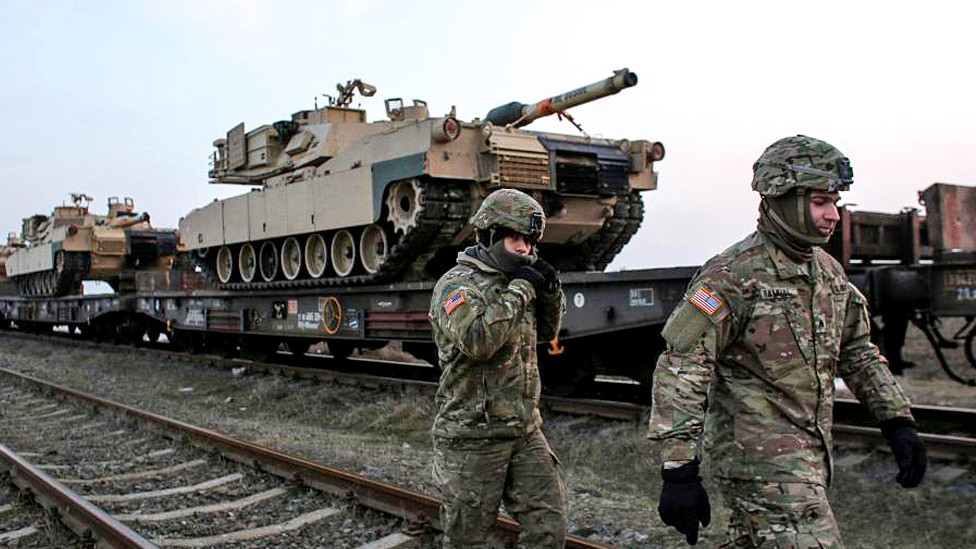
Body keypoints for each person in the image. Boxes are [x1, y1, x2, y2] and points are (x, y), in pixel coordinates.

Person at [647, 135, 928, 547]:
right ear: (782, 200)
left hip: (811, 459)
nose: (833, 215)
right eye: (820, 203)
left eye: (835, 202)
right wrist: (678, 469)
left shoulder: (828, 273)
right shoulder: (732, 276)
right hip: (759, 465)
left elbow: (858, 353)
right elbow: (683, 368)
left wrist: (897, 421)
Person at [429, 187, 567, 548]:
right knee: (468, 539)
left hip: (524, 430)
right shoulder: (457, 285)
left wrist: (550, 292)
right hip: (472, 436)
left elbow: (547, 333)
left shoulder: (517, 281)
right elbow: (478, 341)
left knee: (549, 529)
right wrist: (521, 289)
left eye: (530, 242)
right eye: (515, 239)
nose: (524, 249)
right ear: (489, 236)